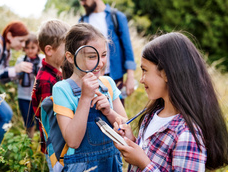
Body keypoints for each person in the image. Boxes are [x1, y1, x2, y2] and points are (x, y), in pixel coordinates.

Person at [114, 32, 228, 171]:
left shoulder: (187, 134)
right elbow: (153, 154)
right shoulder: (153, 114)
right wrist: (132, 141)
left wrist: (144, 164)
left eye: (145, 70)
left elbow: (147, 162)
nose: (142, 79)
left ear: (167, 74)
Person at [52, 23, 128, 172]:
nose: (100, 63)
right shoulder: (62, 89)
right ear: (70, 57)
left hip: (111, 164)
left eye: (104, 55)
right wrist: (85, 98)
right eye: (92, 56)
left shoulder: (108, 83)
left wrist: (109, 112)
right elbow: (73, 141)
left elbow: (127, 130)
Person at [79, 0, 136, 105]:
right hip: (92, 76)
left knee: (117, 111)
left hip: (115, 76)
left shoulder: (117, 17)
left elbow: (127, 48)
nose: (82, 4)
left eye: (84, 0)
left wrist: (130, 77)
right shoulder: (83, 20)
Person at [31, 19, 70, 171]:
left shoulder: (55, 73)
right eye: (66, 48)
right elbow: (52, 120)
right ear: (49, 50)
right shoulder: (47, 81)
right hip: (56, 146)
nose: (69, 53)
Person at [0, 21, 30, 148]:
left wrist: (18, 74)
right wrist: (14, 70)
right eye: (21, 41)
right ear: (10, 36)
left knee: (6, 114)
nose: (23, 45)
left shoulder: (7, 52)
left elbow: (0, 77)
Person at [16, 33, 44, 139]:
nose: (30, 50)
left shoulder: (42, 60)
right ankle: (29, 143)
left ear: (38, 48)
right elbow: (15, 78)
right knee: (28, 123)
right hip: (24, 96)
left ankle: (42, 145)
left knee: (40, 123)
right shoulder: (21, 60)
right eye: (27, 48)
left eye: (33, 47)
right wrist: (21, 75)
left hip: (38, 97)